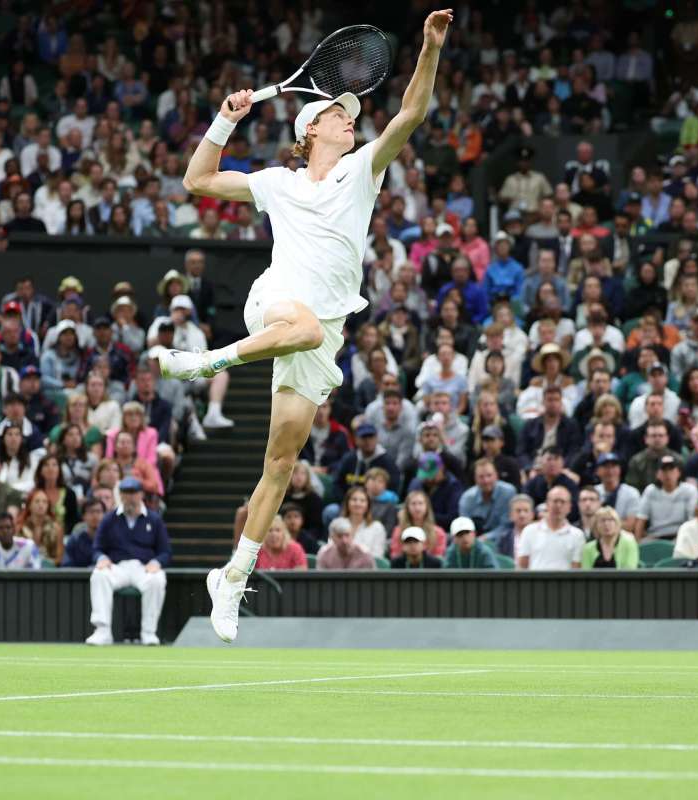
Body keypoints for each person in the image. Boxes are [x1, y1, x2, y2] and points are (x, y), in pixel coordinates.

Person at [163, 9, 455, 643]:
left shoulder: (363, 171)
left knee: (280, 462)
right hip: (276, 304)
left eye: (350, 113)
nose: (350, 117)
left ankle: (233, 575)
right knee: (303, 328)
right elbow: (198, 179)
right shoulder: (277, 182)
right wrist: (226, 120)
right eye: (337, 113)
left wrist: (429, 49)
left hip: (322, 328)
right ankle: (204, 362)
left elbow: (411, 113)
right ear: (310, 127)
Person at [86, 477, 171, 645]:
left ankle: (148, 632)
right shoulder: (109, 519)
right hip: (117, 567)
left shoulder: (154, 520)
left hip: (143, 568)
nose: (129, 497)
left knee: (157, 579)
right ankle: (102, 631)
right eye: (125, 493)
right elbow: (97, 548)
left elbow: (166, 552)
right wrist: (101, 558)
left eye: (133, 493)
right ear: (120, 495)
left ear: (141, 495)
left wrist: (157, 562)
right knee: (99, 575)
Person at [516, 486, 583, 569]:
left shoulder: (577, 535)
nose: (558, 505)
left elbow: (576, 567)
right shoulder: (529, 531)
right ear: (547, 504)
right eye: (555, 501)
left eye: (563, 502)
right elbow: (522, 564)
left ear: (569, 507)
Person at [634, 455, 698, 540]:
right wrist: (637, 545)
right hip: (655, 536)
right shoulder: (650, 491)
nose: (668, 474)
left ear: (678, 473)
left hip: (681, 536)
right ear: (657, 474)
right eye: (664, 470)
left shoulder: (690, 490)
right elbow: (641, 519)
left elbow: (693, 521)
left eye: (671, 469)